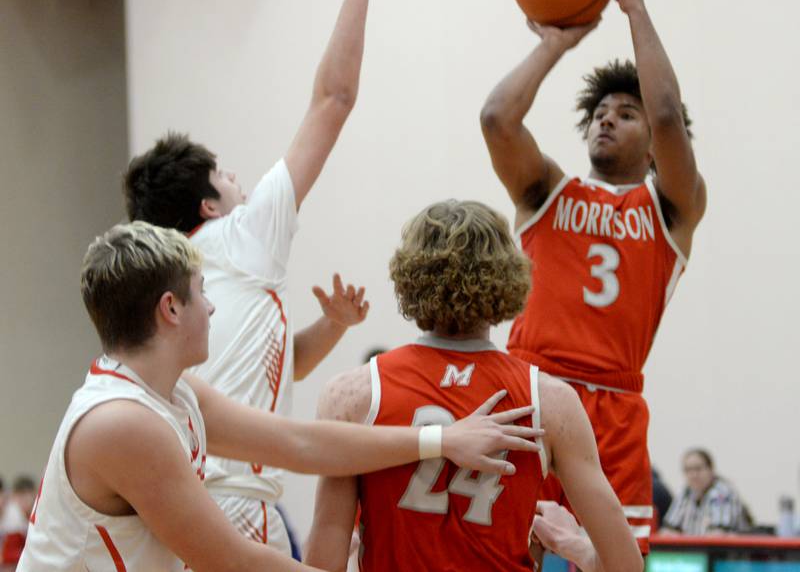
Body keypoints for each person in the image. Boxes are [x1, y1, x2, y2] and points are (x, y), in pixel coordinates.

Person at [17, 221, 540, 572]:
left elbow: (299, 444)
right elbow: (229, 560)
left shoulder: (173, 393)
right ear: (170, 309)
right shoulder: (124, 424)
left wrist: (439, 439)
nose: (213, 309)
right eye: (203, 291)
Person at [122, 0, 401, 552]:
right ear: (211, 208)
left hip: (177, 512)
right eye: (228, 178)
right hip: (235, 512)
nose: (244, 184)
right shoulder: (242, 236)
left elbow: (267, 374)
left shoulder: (171, 283)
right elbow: (333, 100)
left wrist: (330, 327)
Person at [480, 0, 707, 551]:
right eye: (601, 110)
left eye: (624, 114)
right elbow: (497, 118)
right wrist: (554, 43)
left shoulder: (669, 207)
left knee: (615, 561)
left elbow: (666, 111)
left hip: (613, 405)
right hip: (529, 387)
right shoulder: (547, 191)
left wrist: (634, 9)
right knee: (503, 552)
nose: (608, 118)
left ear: (656, 145)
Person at [304, 200, 643, 572]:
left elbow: (324, 562)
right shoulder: (550, 400)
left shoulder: (353, 394)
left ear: (407, 276)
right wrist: (574, 546)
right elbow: (624, 566)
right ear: (508, 278)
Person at [661, 449, 753, 535]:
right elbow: (668, 530)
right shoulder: (686, 493)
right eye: (688, 470)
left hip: (727, 551)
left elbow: (718, 535)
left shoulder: (722, 493)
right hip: (694, 550)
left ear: (711, 470)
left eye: (698, 469)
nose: (693, 475)